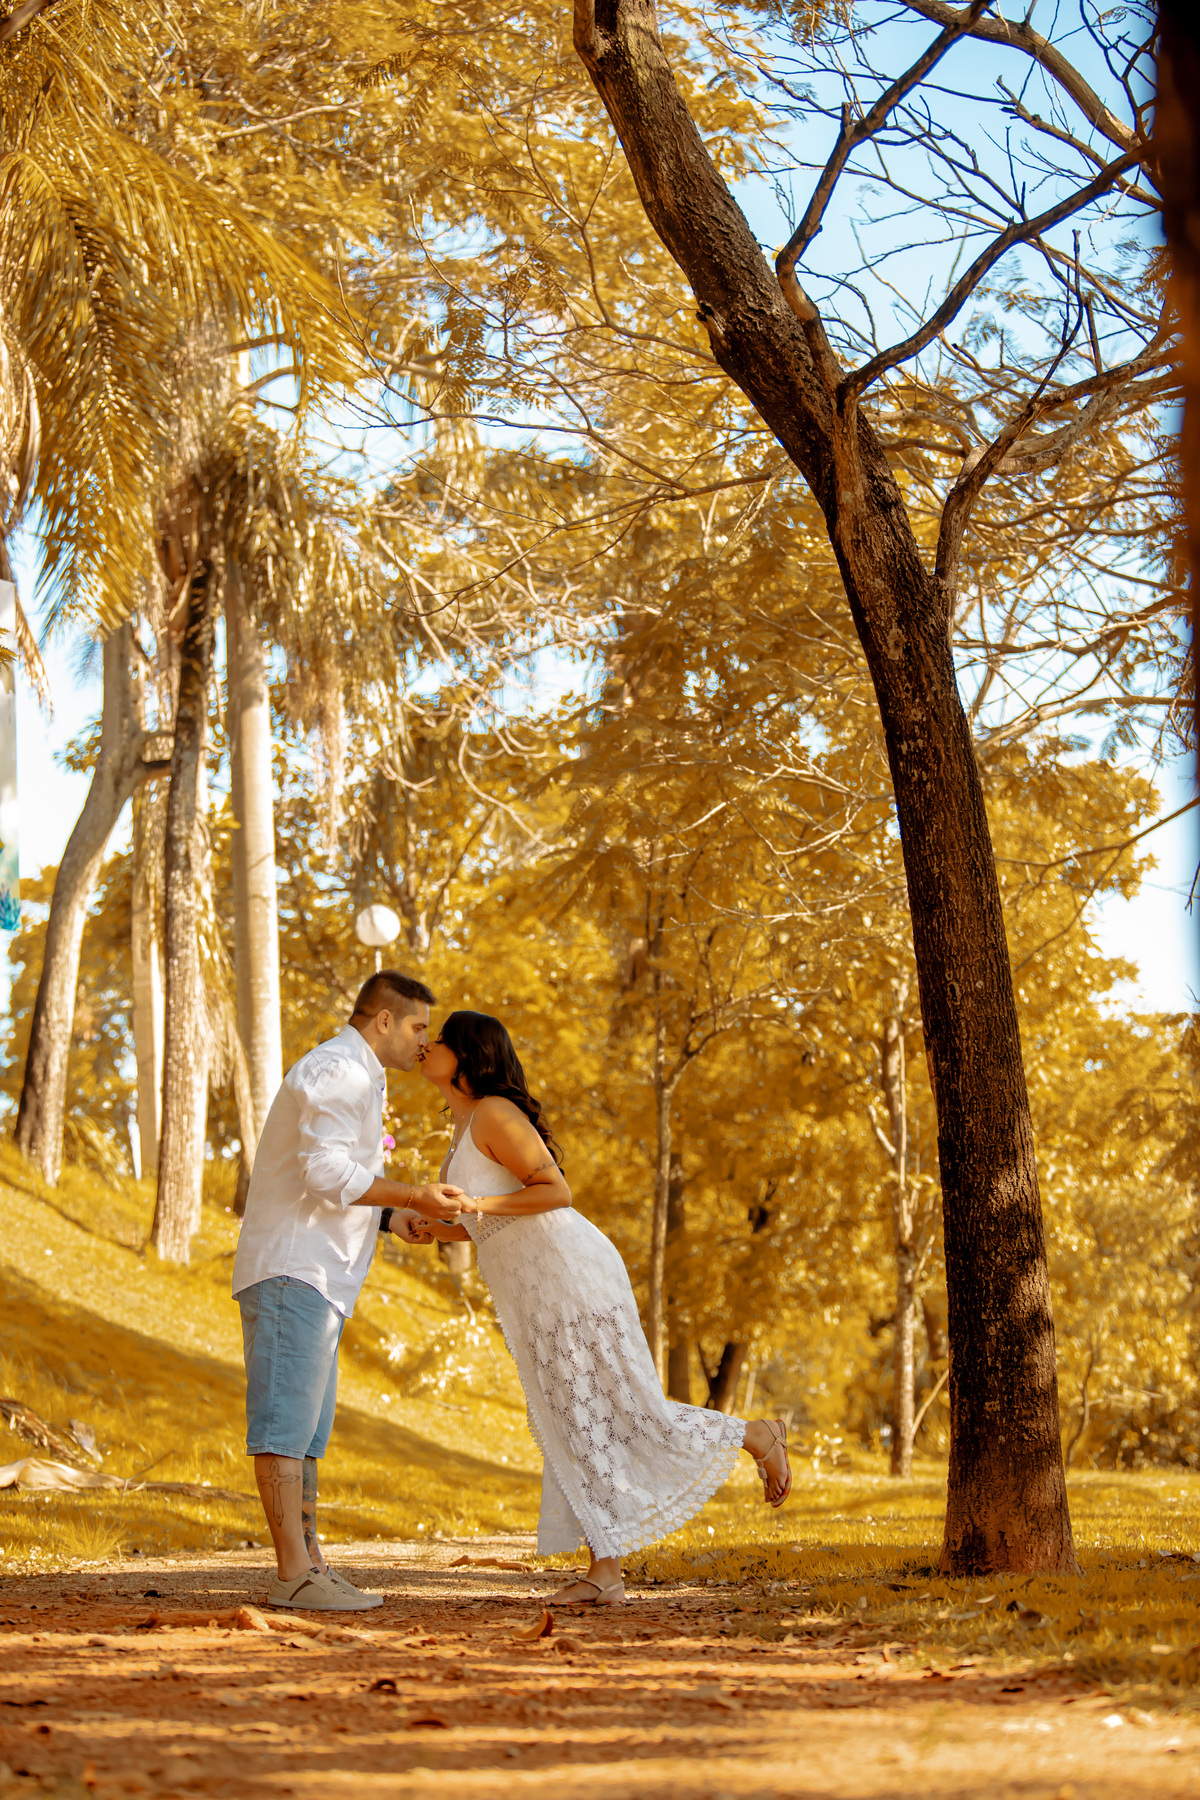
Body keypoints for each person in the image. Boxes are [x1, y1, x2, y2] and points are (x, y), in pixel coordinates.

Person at [414, 1009, 791, 1606]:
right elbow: (492, 1219)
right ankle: (606, 1571)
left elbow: (554, 1192)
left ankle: (756, 1434)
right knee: (575, 1416)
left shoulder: (494, 1112)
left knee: (616, 1408)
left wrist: (474, 1207)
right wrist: (440, 1231)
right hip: (535, 1287)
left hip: (570, 1277)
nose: (425, 1045)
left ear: (467, 1054)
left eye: (438, 1039)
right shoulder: (465, 1125)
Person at [231, 970, 463, 1612]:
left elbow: (342, 1180)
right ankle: (291, 1576)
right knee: (285, 1426)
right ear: (383, 1020)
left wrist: (394, 1217)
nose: (425, 1041)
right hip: (292, 1269)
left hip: (320, 1276)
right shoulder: (339, 1068)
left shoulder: (362, 1075)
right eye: (419, 1026)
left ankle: (308, 1567)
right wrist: (414, 1191)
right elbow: (325, 1169)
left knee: (308, 1432)